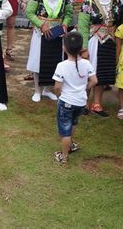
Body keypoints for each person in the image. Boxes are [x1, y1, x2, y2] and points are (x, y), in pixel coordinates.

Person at [26, 0, 73, 103]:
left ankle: (47, 89)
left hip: (57, 32)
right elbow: (29, 12)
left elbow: (69, 13)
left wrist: (64, 25)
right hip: (41, 31)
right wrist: (41, 24)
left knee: (54, 61)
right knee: (38, 60)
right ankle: (37, 90)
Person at [77, 0, 121, 117]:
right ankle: (82, 102)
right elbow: (82, 25)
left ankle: (97, 103)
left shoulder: (116, 0)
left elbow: (119, 21)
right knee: (90, 72)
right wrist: (83, 48)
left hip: (110, 40)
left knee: (102, 74)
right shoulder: (89, 1)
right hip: (94, 40)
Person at [52, 32, 97, 164]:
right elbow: (94, 81)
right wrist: (84, 89)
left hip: (67, 102)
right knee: (73, 123)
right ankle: (71, 145)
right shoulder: (87, 64)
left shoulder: (62, 66)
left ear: (64, 48)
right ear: (81, 47)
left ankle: (64, 157)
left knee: (65, 130)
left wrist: (59, 96)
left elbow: (57, 87)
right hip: (81, 102)